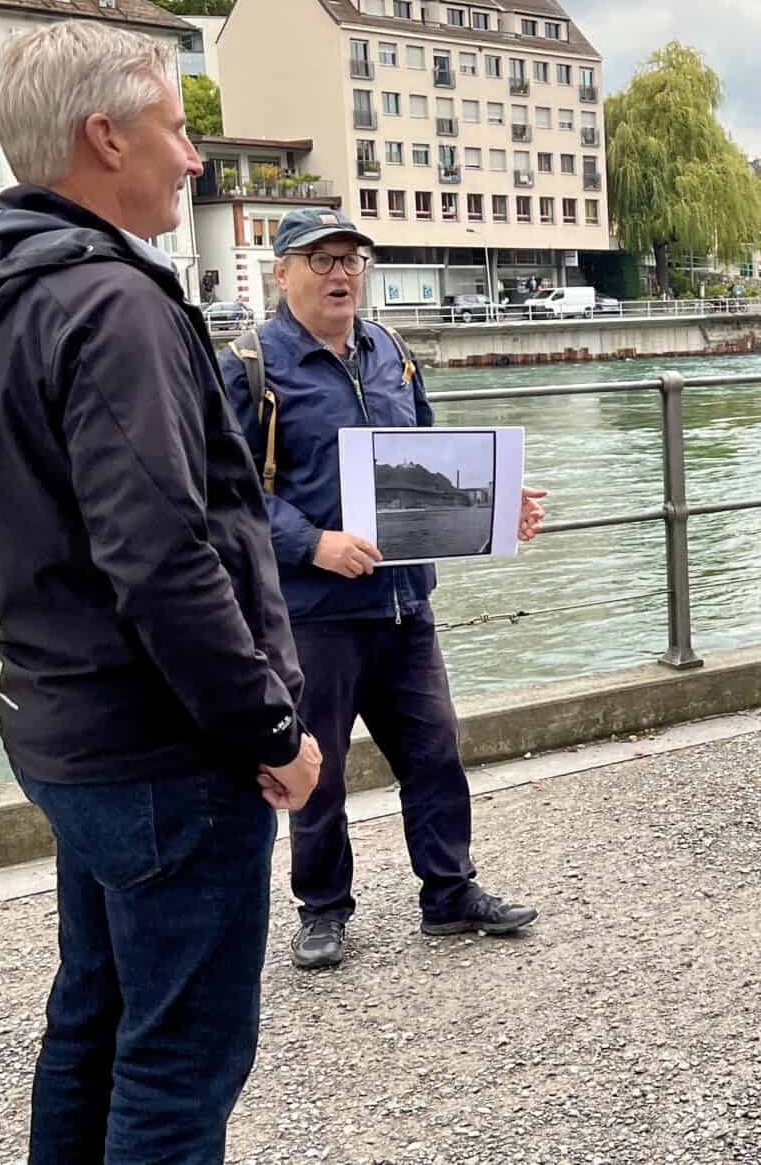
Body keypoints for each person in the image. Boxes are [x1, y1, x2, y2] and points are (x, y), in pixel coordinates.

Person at [0, 21, 321, 1160]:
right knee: (178, 1062)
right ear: (104, 138)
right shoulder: (114, 305)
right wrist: (270, 729)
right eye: (176, 131)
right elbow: (166, 559)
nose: (192, 157)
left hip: (62, 723)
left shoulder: (7, 294)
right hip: (164, 751)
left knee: (93, 1018)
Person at [221, 208, 545, 971]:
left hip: (404, 602)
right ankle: (323, 909)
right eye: (322, 259)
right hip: (313, 611)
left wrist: (498, 501)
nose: (340, 273)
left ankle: (449, 891)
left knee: (435, 751)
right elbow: (226, 492)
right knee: (320, 766)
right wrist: (315, 543)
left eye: (351, 259)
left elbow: (428, 455)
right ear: (281, 271)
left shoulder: (391, 352)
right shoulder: (249, 367)